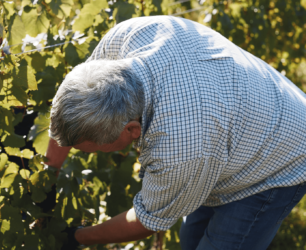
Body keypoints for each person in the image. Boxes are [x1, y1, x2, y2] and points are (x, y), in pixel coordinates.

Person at [46, 15, 306, 250]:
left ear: (131, 130)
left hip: (280, 157)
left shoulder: (179, 149)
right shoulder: (124, 39)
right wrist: (49, 173)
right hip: (237, 120)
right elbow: (71, 110)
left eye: (87, 149)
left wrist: (77, 236)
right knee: (191, 240)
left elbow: (147, 220)